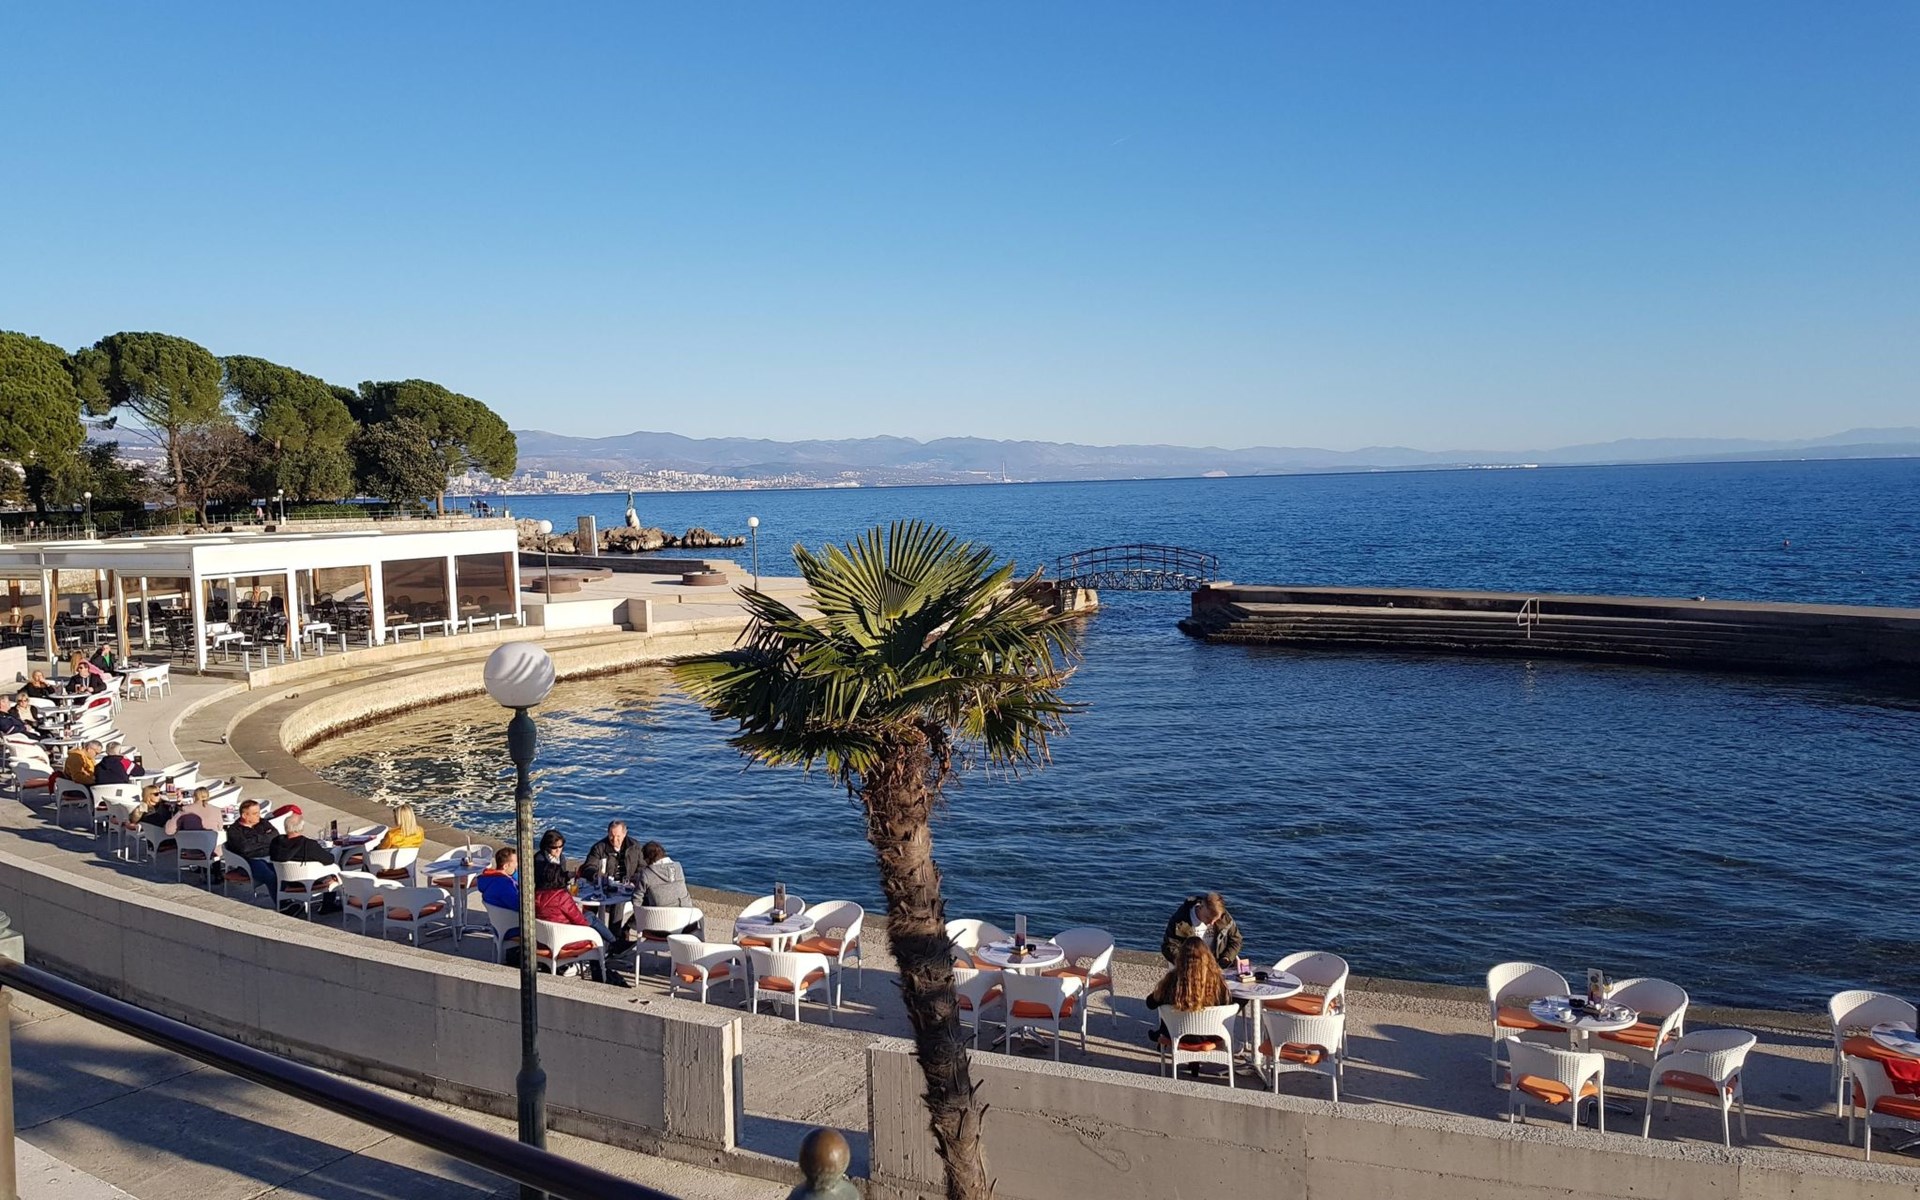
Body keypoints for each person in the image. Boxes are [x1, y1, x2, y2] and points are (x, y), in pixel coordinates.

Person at [1146, 935, 1235, 1074]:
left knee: (1168, 1008)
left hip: (1178, 1034)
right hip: (1209, 1035)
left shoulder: (1172, 980)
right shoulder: (1217, 982)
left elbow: (1150, 1003)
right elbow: (1226, 1003)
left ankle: (1161, 1036)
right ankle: (1195, 1061)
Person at [532, 858, 622, 984]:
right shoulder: (561, 896)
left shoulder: (535, 895)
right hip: (566, 941)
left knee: (589, 917)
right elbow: (580, 921)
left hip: (543, 940)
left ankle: (613, 943)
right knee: (592, 926)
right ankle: (611, 948)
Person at [270, 814, 341, 914]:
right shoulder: (308, 845)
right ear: (301, 828)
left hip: (286, 880)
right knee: (334, 872)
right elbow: (329, 860)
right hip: (309, 881)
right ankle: (328, 905)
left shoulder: (276, 843)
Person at [1160, 892, 1244, 971]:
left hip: (1215, 967)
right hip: (1187, 968)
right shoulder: (1180, 920)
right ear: (1201, 907)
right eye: (1208, 918)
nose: (1212, 923)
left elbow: (1236, 940)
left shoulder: (1224, 918)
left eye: (1216, 920)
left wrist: (1227, 957)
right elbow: (1169, 946)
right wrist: (1186, 963)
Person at [225, 800, 278, 892]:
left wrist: (256, 839)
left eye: (259, 812)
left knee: (286, 873)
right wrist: (265, 839)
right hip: (250, 861)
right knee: (270, 876)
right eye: (255, 813)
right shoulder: (234, 830)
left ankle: (287, 897)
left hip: (270, 857)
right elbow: (245, 848)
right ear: (244, 815)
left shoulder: (263, 822)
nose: (258, 815)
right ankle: (281, 900)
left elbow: (275, 836)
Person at [580, 820, 643, 887]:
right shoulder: (599, 848)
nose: (614, 840)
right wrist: (596, 875)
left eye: (618, 836)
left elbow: (643, 866)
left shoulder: (635, 847)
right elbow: (588, 867)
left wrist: (637, 876)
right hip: (606, 886)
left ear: (624, 834)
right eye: (611, 836)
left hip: (629, 886)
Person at [639, 841, 691, 908]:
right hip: (685, 910)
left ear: (647, 858)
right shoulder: (678, 867)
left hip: (659, 913)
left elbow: (638, 896)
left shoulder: (647, 873)